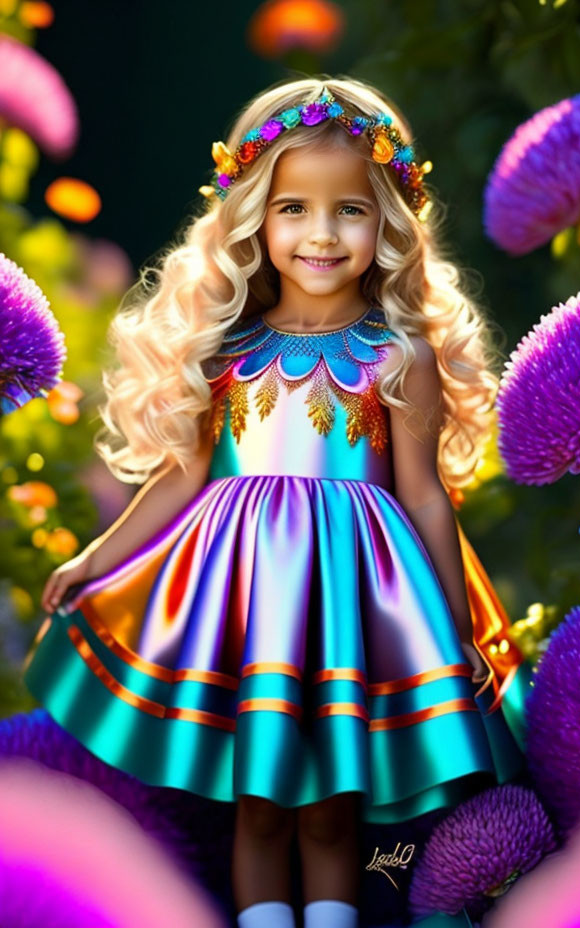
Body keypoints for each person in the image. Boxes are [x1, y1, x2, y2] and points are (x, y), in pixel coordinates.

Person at [21, 76, 533, 928]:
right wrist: (94, 558)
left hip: (355, 599)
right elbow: (182, 477)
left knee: (334, 803)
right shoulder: (227, 350)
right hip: (243, 596)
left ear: (391, 223)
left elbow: (426, 498)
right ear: (253, 216)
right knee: (257, 800)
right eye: (293, 207)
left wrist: (457, 624)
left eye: (351, 211)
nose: (321, 235)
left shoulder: (398, 355)